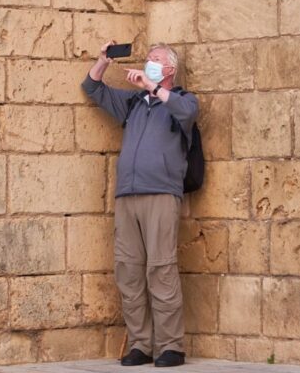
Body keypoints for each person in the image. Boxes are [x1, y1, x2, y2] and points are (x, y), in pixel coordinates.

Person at [80, 40, 199, 367]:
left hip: (161, 194)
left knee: (161, 269)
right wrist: (102, 60)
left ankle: (170, 346)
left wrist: (152, 87)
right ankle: (140, 344)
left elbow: (189, 113)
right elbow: (92, 88)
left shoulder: (182, 101)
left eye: (156, 59)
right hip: (127, 196)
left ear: (170, 70)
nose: (149, 62)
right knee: (128, 271)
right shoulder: (133, 103)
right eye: (148, 59)